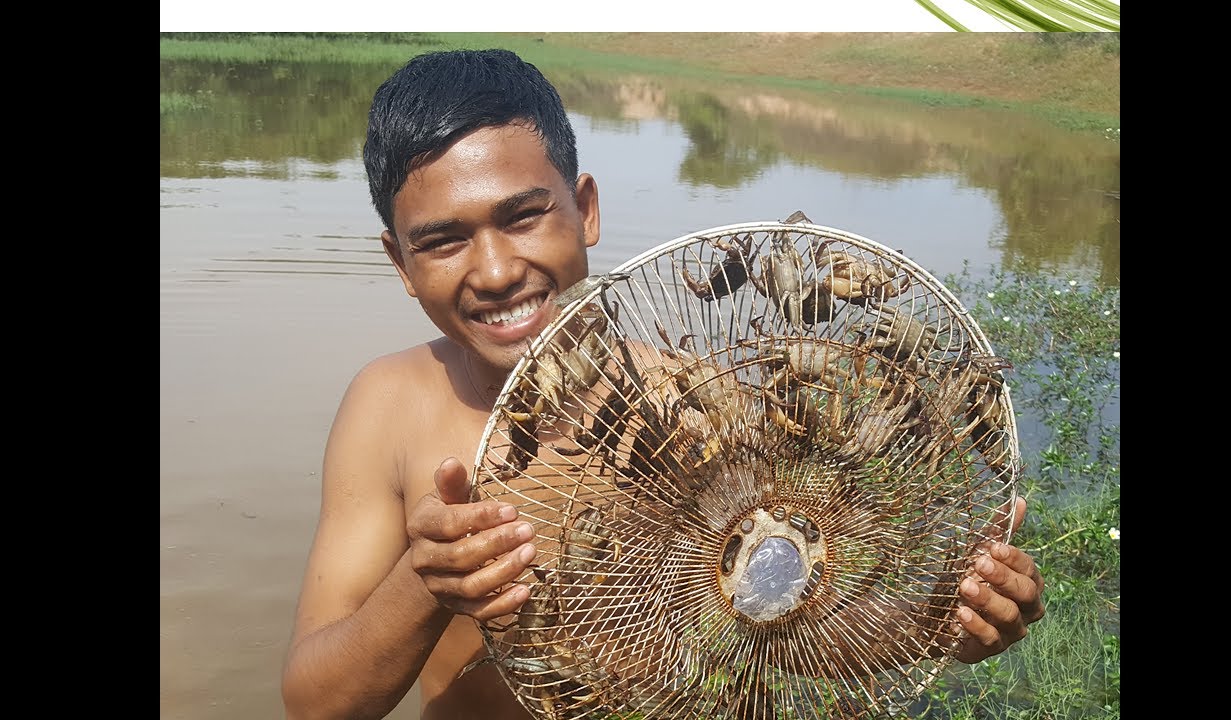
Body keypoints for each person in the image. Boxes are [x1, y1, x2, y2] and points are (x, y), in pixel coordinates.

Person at [280, 48, 1046, 720]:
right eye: (444, 241)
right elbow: (315, 705)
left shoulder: (704, 405)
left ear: (584, 210)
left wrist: (944, 625)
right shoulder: (391, 408)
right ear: (401, 263)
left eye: (522, 218)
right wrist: (425, 584)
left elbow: (792, 622)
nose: (496, 270)